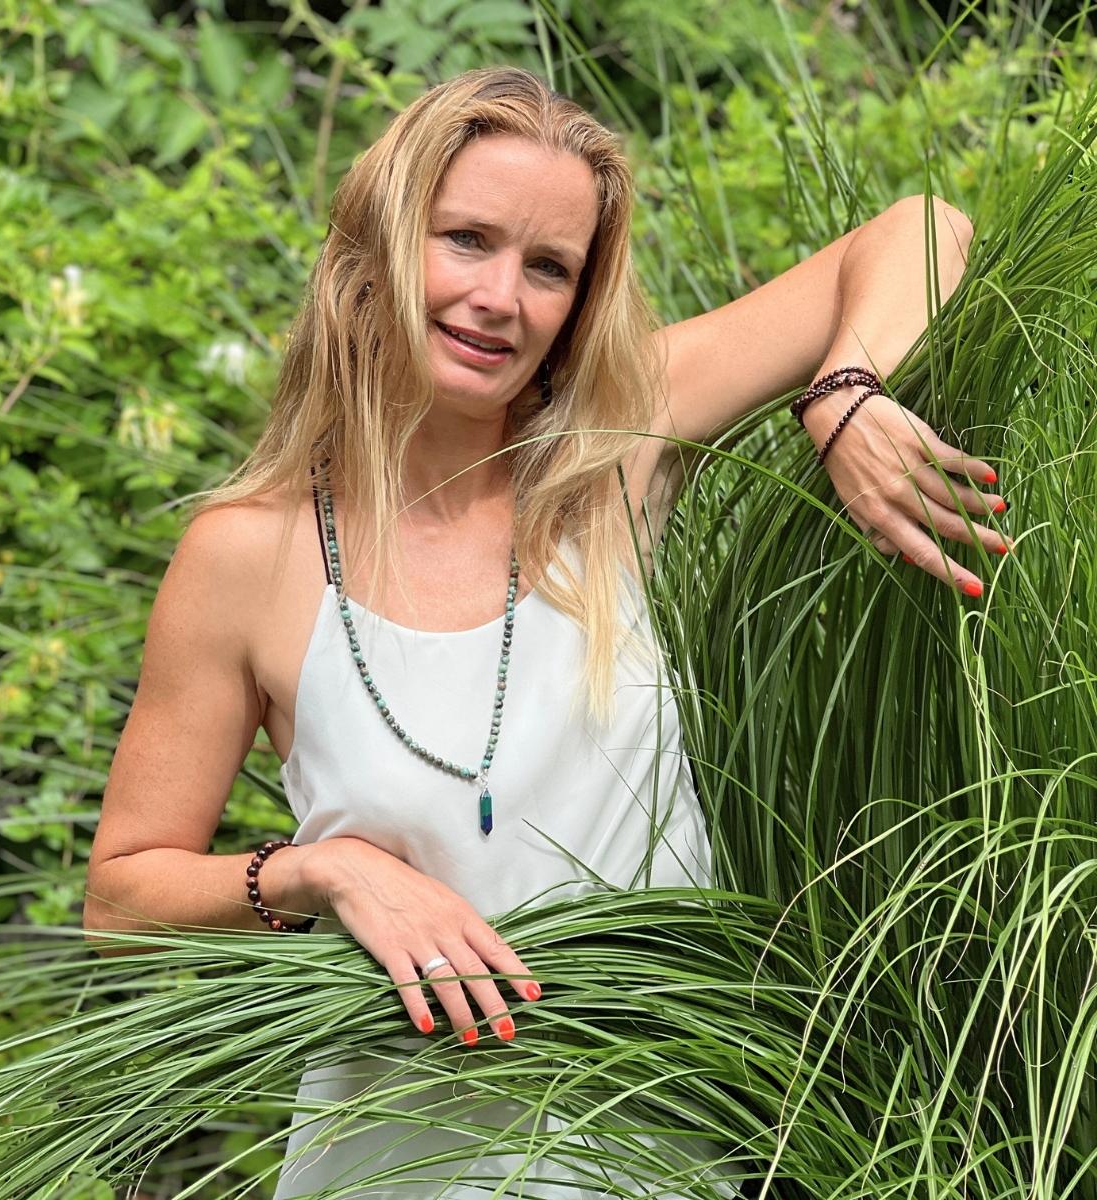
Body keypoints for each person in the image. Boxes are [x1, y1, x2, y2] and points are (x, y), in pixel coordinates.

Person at [83, 65, 1007, 1198]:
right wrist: (324, 873)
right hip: (391, 1163)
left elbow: (925, 229)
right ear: (378, 241)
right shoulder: (248, 553)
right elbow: (122, 902)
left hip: (649, 1155)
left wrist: (844, 394)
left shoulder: (618, 445)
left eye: (549, 268)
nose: (500, 299)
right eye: (465, 239)